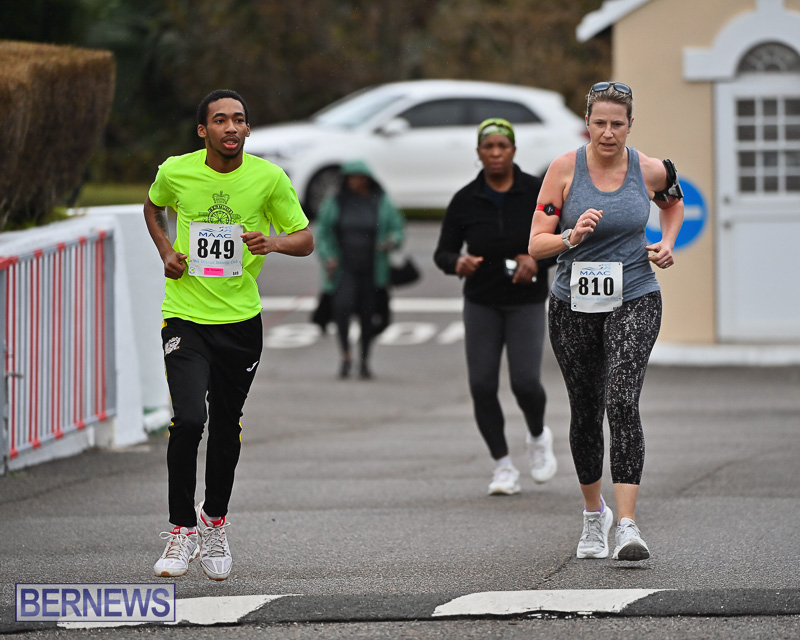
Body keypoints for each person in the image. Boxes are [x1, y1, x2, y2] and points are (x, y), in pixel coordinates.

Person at [144, 89, 314, 580]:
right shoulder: (176, 171)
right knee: (190, 419)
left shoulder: (268, 178)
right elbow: (152, 208)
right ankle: (181, 531)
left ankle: (213, 519)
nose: (232, 128)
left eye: (239, 120)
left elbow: (304, 239)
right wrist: (165, 251)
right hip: (185, 317)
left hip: (240, 322)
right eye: (220, 120)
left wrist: (274, 242)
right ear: (203, 130)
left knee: (225, 427)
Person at [529, 82, 684, 561]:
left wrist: (667, 241)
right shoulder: (563, 169)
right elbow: (536, 244)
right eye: (600, 123)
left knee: (621, 399)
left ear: (630, 125)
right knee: (586, 408)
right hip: (573, 302)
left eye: (618, 123)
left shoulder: (651, 169)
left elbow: (673, 203)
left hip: (635, 295)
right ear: (588, 123)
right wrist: (571, 237)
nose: (609, 132)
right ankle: (593, 516)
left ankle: (628, 525)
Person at [433, 118, 558, 496]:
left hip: (526, 301)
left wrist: (536, 261)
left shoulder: (536, 193)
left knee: (525, 382)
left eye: (503, 146)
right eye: (489, 147)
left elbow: (562, 241)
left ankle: (538, 436)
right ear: (479, 154)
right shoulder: (465, 200)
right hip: (482, 301)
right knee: (482, 384)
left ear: (514, 150)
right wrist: (457, 263)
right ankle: (503, 465)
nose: (496, 153)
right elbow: (443, 251)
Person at [315, 160, 405, 379]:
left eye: (358, 177)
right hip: (343, 268)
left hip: (372, 268)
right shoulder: (336, 202)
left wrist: (391, 241)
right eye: (350, 177)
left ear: (367, 179)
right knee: (341, 310)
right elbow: (323, 234)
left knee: (369, 315)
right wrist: (329, 257)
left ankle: (364, 360)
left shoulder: (381, 201)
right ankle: (346, 355)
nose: (354, 182)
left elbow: (397, 228)